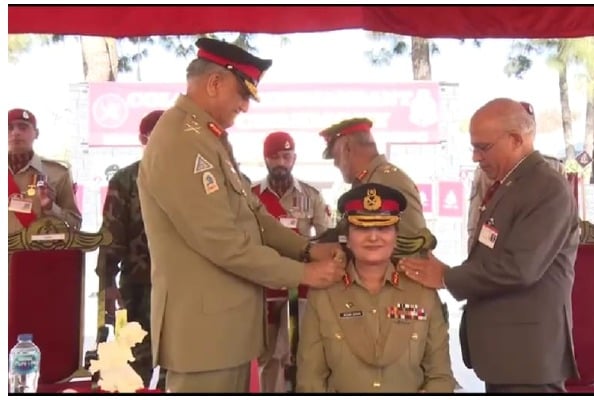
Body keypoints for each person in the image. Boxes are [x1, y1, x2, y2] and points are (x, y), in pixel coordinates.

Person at [136, 37, 346, 393]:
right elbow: (224, 242)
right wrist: (304, 273)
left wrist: (306, 249)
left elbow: (254, 215)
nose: (245, 107)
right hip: (204, 338)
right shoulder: (181, 141)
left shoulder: (208, 137)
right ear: (214, 83)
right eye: (243, 94)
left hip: (223, 330)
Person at [399, 98, 580, 393]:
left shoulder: (545, 187)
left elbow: (520, 268)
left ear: (516, 140)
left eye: (483, 147)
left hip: (527, 357)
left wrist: (447, 277)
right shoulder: (512, 183)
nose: (475, 157)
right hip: (506, 352)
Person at [296, 183, 456, 393]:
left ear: (396, 235)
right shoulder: (324, 294)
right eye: (362, 228)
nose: (373, 237)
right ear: (348, 238)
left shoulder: (422, 292)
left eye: (383, 227)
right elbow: (310, 381)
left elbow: (441, 377)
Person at [251, 131, 331, 393]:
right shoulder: (251, 197)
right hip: (264, 291)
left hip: (301, 290)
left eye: (286, 156)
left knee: (303, 356)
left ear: (294, 158)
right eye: (275, 157)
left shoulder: (311, 196)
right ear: (265, 159)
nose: (281, 163)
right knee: (267, 356)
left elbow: (325, 240)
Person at [95, 110, 164, 388]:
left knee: (180, 371)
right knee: (131, 369)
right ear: (143, 138)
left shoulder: (189, 180)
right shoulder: (125, 180)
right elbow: (111, 236)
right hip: (135, 290)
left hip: (181, 292)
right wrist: (106, 283)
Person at [317, 117, 435, 255]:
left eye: (335, 157)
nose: (336, 164)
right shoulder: (368, 180)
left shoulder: (388, 180)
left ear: (347, 148)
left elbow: (411, 247)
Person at [467, 153, 565, 248]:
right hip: (493, 249)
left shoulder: (553, 170)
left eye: (484, 147)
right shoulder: (485, 172)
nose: (475, 157)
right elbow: (475, 226)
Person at [8, 108, 81, 233]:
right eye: (9, 128)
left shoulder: (58, 173)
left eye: (23, 127)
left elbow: (75, 224)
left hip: (38, 251)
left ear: (36, 133)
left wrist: (50, 207)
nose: (15, 133)